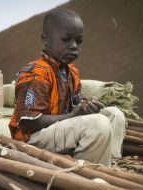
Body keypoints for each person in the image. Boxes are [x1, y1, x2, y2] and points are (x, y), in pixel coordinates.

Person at [9, 8, 126, 167]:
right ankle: (89, 175)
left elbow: (77, 104)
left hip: (59, 130)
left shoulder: (71, 71)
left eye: (79, 41)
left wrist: (86, 105)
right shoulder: (35, 72)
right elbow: (27, 123)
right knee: (98, 124)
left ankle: (107, 164)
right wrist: (74, 114)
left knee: (115, 114)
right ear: (45, 39)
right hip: (33, 139)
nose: (73, 46)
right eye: (66, 39)